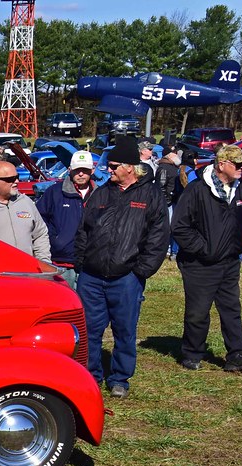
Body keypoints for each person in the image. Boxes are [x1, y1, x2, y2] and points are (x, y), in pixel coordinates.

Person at [75, 136, 169, 399]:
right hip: (92, 277)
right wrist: (81, 262)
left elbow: (158, 238)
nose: (109, 169)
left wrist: (141, 271)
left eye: (114, 165)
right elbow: (83, 230)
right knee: (89, 329)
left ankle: (119, 378)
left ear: (130, 167)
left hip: (126, 277)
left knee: (125, 330)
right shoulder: (101, 193)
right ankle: (90, 375)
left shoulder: (150, 195)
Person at [171, 145, 242, 372]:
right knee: (198, 311)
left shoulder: (241, 187)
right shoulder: (197, 190)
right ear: (221, 165)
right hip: (199, 264)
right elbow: (180, 227)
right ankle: (192, 352)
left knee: (231, 309)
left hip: (229, 260)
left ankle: (237, 354)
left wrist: (240, 243)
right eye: (237, 164)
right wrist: (204, 249)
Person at [36, 150, 97, 288]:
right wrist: (55, 240)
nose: (81, 174)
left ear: (92, 170)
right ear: (69, 169)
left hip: (90, 264)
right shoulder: (54, 192)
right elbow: (39, 220)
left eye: (85, 170)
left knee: (87, 306)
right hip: (60, 262)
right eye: (77, 170)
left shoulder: (100, 194)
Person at [155, 152, 181, 259]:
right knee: (167, 227)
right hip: (167, 202)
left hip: (172, 200)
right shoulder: (164, 168)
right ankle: (166, 250)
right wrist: (166, 201)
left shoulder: (171, 167)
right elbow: (161, 186)